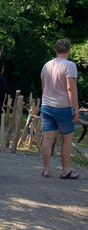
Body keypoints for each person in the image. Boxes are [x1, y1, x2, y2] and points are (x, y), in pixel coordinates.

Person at [40, 39, 80, 179]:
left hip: (46, 105)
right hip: (63, 107)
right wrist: (76, 108)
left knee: (48, 138)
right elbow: (71, 88)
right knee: (67, 140)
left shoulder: (47, 65)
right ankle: (65, 170)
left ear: (56, 51)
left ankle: (46, 169)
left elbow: (44, 87)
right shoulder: (70, 66)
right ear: (69, 50)